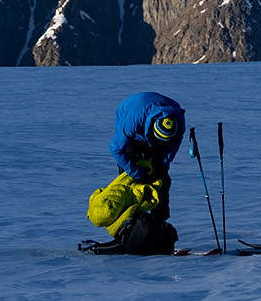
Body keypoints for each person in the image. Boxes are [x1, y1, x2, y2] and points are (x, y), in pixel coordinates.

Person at [80, 92, 186, 255]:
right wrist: (137, 173)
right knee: (131, 186)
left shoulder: (177, 122)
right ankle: (128, 229)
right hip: (132, 120)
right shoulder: (132, 122)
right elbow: (116, 149)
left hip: (151, 122)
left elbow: (171, 148)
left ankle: (159, 225)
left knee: (163, 180)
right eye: (157, 138)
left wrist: (161, 167)